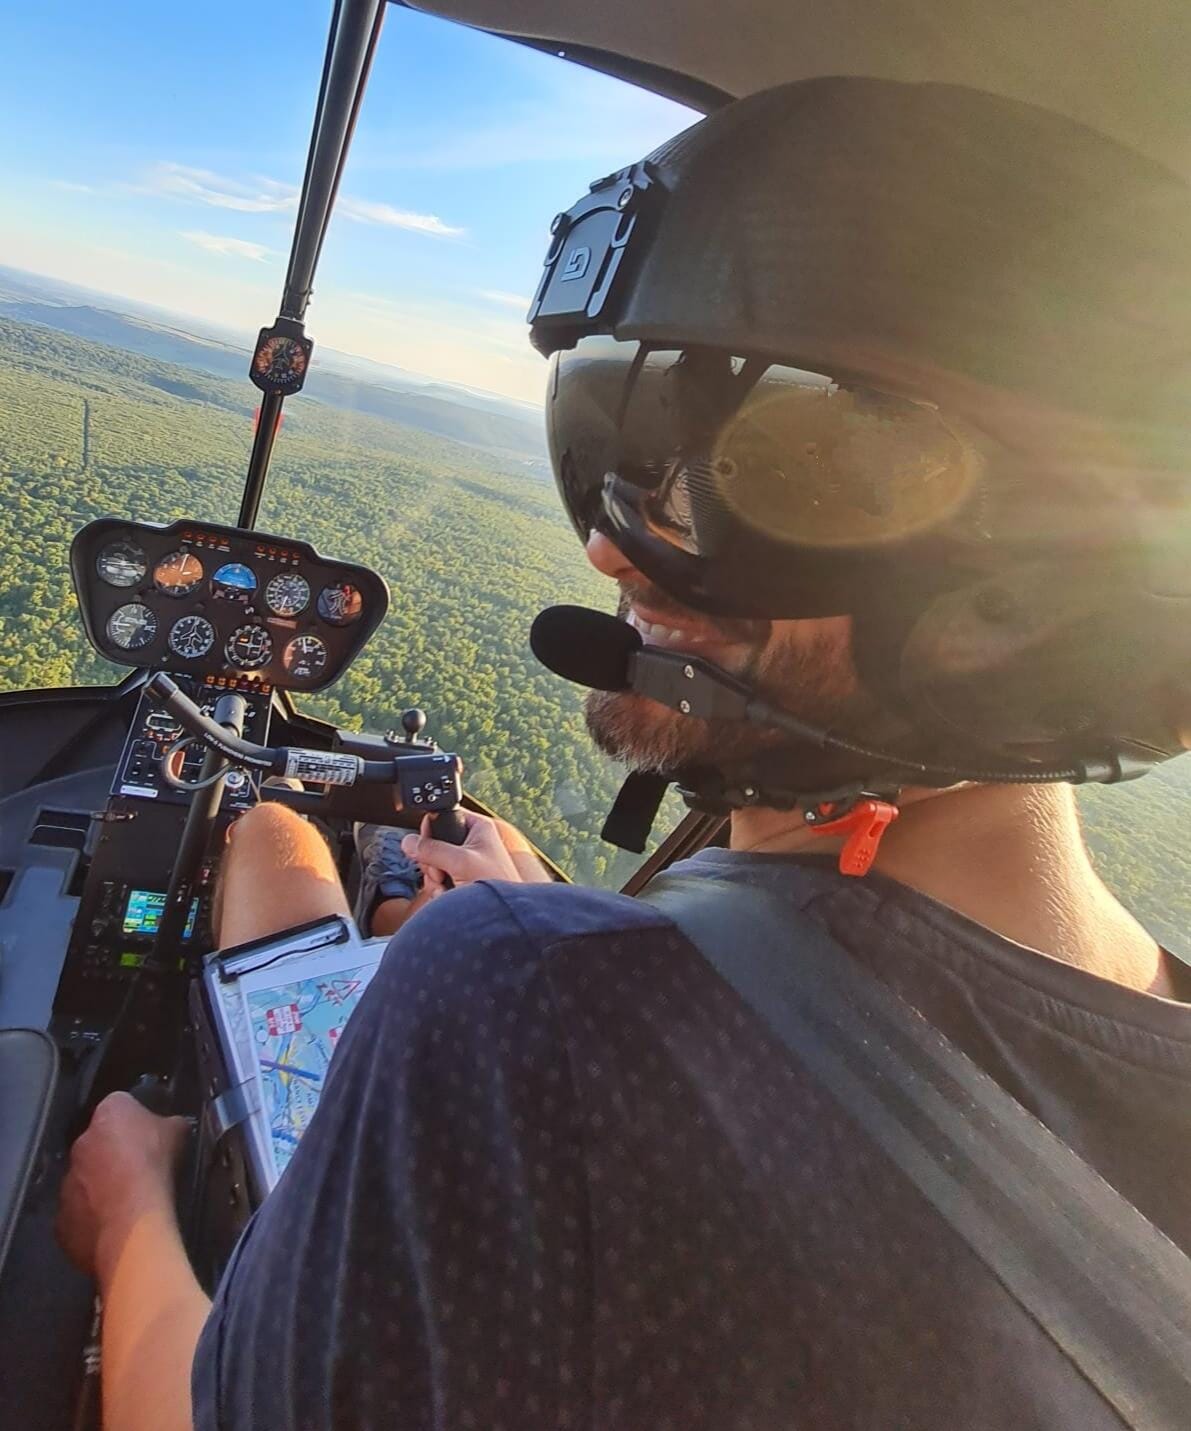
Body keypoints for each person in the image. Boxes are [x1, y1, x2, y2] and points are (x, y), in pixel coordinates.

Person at [56, 76, 1191, 1430]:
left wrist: (127, 1215)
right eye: (608, 451)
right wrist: (584, 927)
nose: (609, 547)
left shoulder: (521, 1005)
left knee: (268, 842)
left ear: (1027, 599)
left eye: (777, 475)